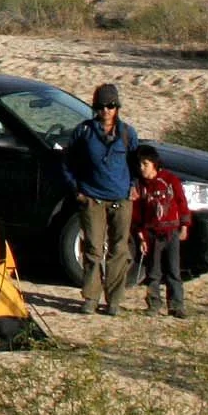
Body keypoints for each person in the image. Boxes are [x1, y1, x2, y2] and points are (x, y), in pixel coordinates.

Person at [62, 82, 139, 315]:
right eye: (102, 106)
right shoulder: (83, 132)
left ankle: (114, 300)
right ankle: (91, 297)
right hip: (92, 198)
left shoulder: (127, 133)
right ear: (95, 107)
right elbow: (67, 162)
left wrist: (134, 186)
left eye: (111, 105)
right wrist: (77, 189)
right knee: (93, 249)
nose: (106, 110)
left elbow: (135, 163)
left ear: (117, 107)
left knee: (119, 249)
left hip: (121, 198)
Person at [130, 144, 191, 317]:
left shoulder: (170, 181)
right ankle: (153, 304)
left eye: (145, 164)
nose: (142, 168)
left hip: (171, 231)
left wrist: (184, 226)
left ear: (154, 164)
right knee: (153, 272)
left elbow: (181, 203)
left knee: (173, 271)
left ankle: (176, 305)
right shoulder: (140, 187)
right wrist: (141, 236)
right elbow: (137, 213)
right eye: (140, 164)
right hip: (151, 234)